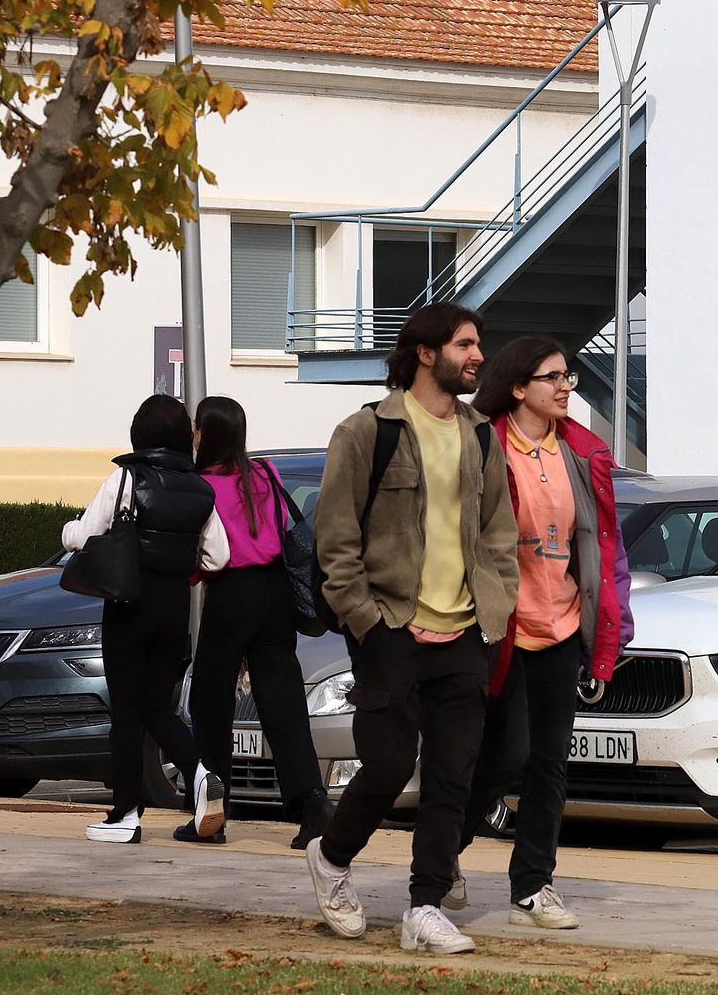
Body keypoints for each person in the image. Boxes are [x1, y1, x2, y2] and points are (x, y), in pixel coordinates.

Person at [306, 303, 519, 955]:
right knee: (389, 765)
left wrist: (496, 607)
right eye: (465, 344)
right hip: (389, 629)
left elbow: (499, 534)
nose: (478, 355)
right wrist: (367, 621)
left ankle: (423, 905)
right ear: (426, 353)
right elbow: (335, 541)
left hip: (464, 633)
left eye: (479, 343)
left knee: (452, 776)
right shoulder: (368, 432)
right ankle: (333, 856)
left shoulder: (480, 436)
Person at [448, 337, 633, 929]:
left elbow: (606, 547)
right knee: (504, 758)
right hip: (501, 628)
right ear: (519, 387)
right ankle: (443, 851)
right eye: (553, 377)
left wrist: (612, 624)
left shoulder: (580, 452)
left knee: (550, 762)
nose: (565, 388)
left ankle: (534, 885)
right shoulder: (483, 444)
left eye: (569, 378)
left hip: (561, 625)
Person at [62, 394, 231, 845]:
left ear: (140, 434)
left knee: (127, 712)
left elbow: (87, 534)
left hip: (128, 606)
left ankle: (125, 815)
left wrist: (67, 530)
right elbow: (219, 555)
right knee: (158, 706)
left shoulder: (126, 478)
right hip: (174, 609)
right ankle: (199, 774)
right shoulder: (201, 489)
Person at [181, 395, 334, 849]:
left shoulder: (200, 484)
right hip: (275, 596)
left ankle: (212, 811)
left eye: (198, 428)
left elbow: (201, 557)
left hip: (230, 593)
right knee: (283, 705)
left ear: (209, 434)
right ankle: (312, 806)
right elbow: (292, 531)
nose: (194, 435)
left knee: (212, 704)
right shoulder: (264, 473)